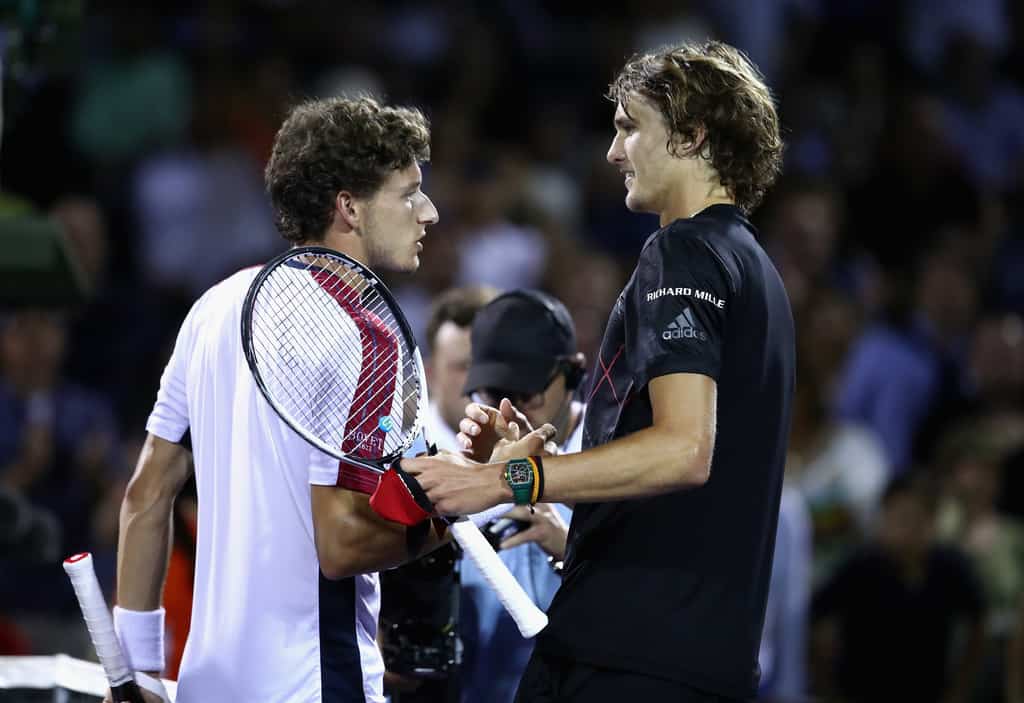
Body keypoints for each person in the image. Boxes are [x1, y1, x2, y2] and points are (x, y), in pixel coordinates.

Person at [110, 95, 547, 703]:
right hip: (315, 687)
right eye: (408, 192)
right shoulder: (370, 335)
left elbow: (146, 494)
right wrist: (479, 495)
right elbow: (342, 545)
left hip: (209, 689)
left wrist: (132, 672)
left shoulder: (213, 307)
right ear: (349, 207)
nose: (430, 211)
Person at [405, 39, 792, 702]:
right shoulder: (754, 269)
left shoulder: (685, 252)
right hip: (688, 660)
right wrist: (574, 527)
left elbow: (682, 450)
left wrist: (508, 479)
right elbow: (695, 480)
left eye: (629, 126)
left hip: (628, 660)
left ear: (692, 135)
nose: (612, 153)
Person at [458, 290, 585, 703]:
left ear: (574, 375)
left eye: (527, 393)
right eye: (495, 395)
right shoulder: (464, 469)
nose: (512, 413)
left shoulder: (623, 461)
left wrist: (572, 548)